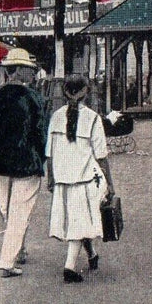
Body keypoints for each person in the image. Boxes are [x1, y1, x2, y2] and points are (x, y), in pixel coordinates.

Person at [0, 48, 49, 278]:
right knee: (20, 210)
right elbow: (40, 132)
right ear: (16, 71)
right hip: (27, 160)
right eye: (29, 70)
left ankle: (19, 248)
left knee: (6, 208)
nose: (32, 74)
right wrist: (43, 157)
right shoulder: (33, 98)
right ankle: (8, 260)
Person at [45, 75, 116, 283]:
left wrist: (51, 178)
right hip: (86, 179)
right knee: (81, 220)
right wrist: (110, 183)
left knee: (79, 219)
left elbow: (49, 153)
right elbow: (101, 156)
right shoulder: (93, 118)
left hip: (62, 179)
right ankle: (69, 266)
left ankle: (92, 254)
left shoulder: (56, 116)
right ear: (86, 92)